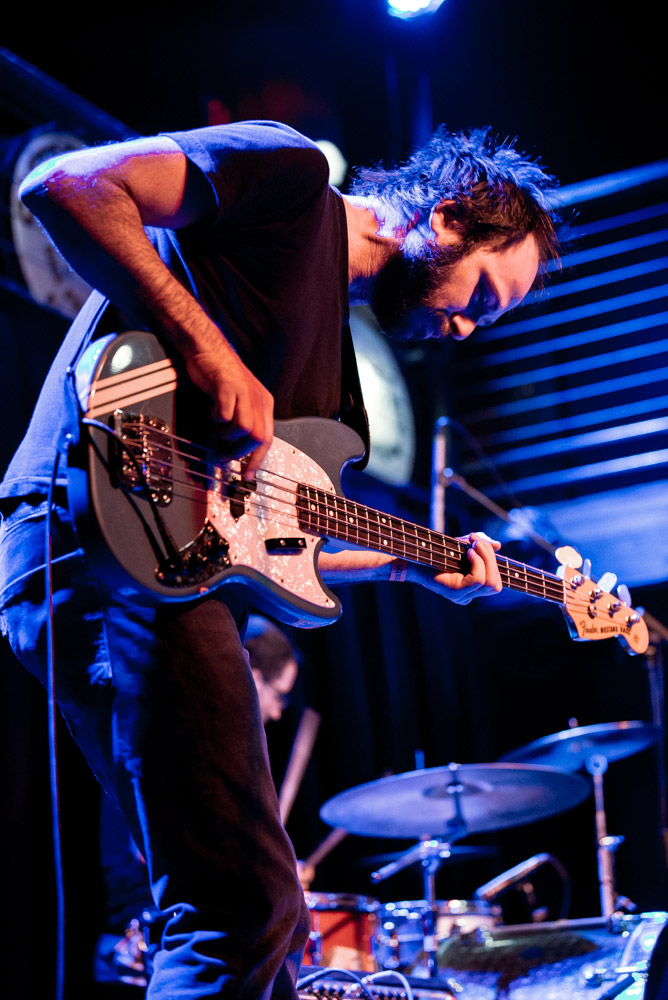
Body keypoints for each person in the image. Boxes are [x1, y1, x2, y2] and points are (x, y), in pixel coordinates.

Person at [0, 119, 560, 999]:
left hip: (172, 571)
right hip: (93, 532)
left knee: (245, 902)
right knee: (241, 905)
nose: (465, 333)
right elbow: (66, 187)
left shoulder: (331, 379)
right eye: (482, 299)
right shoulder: (289, 174)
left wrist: (404, 567)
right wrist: (204, 347)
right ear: (448, 218)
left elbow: (249, 549)